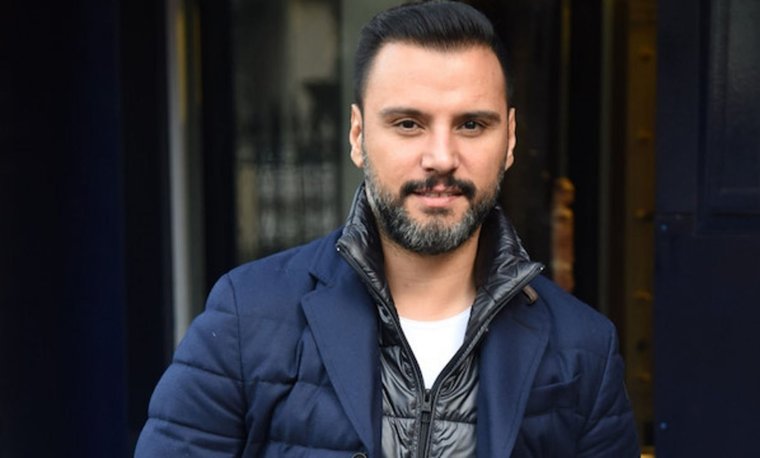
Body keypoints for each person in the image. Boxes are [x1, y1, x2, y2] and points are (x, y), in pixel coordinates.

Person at [135, 1, 639, 456]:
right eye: (408, 124)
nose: (441, 157)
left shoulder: (584, 349)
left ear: (509, 140)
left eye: (471, 125)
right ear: (357, 136)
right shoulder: (248, 317)